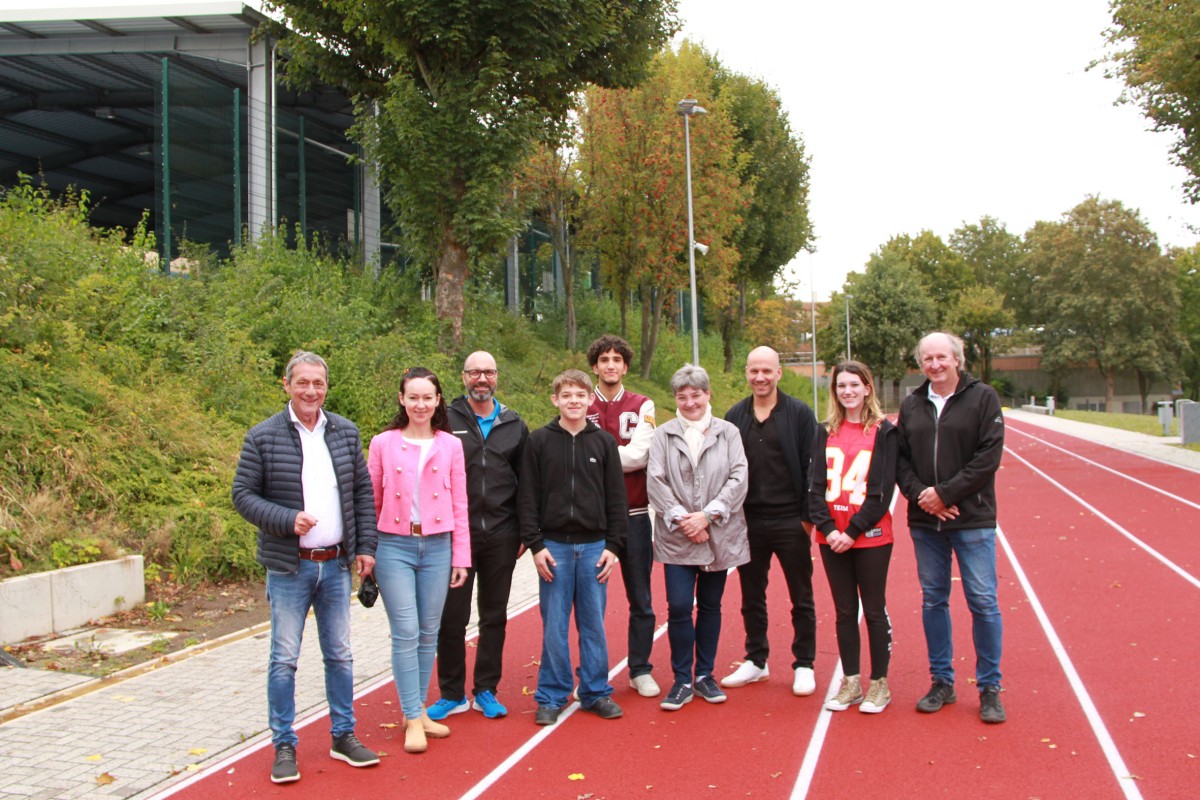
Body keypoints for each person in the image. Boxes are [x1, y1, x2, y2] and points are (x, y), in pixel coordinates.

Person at [232, 350, 380, 784]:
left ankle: (343, 735)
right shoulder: (262, 437)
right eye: (303, 383)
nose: (311, 391)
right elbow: (242, 496)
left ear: (326, 387)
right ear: (286, 384)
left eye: (318, 383)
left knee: (340, 654)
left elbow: (362, 496)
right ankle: (283, 743)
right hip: (289, 567)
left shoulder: (346, 433)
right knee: (284, 658)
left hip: (335, 565)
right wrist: (286, 520)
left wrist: (365, 548)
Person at [897, 331, 1007, 724]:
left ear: (956, 359)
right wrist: (923, 496)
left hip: (972, 518)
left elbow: (988, 456)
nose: (935, 365)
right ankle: (942, 681)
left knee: (983, 601)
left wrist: (945, 493)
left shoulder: (983, 398)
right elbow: (901, 461)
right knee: (933, 599)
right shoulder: (911, 403)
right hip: (926, 522)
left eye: (942, 357)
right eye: (928, 359)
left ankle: (989, 687)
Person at [367, 367, 471, 753]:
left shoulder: (450, 445)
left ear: (438, 400)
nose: (421, 404)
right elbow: (370, 500)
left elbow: (460, 502)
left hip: (439, 546)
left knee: (430, 632)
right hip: (393, 546)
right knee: (406, 631)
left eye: (428, 397)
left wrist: (461, 554)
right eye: (413, 397)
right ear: (402, 399)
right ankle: (412, 715)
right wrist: (367, 550)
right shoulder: (383, 443)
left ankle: (421, 712)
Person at [520, 369, 628, 725]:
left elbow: (616, 499)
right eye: (566, 395)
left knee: (593, 623)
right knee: (554, 625)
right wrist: (536, 545)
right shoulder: (538, 442)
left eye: (580, 395)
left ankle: (595, 692)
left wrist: (613, 545)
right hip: (555, 548)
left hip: (595, 547)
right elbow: (527, 498)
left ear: (589, 400)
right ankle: (551, 695)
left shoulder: (604, 443)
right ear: (555, 400)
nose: (574, 401)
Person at [427, 351, 529, 721]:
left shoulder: (514, 424)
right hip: (456, 536)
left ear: (497, 376)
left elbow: (526, 483)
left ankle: (486, 689)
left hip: (502, 535)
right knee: (451, 618)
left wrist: (524, 531)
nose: (481, 379)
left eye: (487, 372)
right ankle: (451, 693)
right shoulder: (445, 420)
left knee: (494, 616)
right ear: (464, 377)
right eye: (474, 373)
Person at [647, 364, 749, 711]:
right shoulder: (663, 435)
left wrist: (708, 515)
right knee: (678, 606)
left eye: (696, 395)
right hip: (677, 537)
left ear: (708, 395)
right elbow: (655, 482)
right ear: (675, 398)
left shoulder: (729, 433)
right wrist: (684, 520)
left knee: (709, 606)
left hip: (718, 534)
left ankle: (705, 675)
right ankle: (681, 680)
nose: (690, 402)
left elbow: (739, 477)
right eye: (682, 396)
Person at [722, 346, 820, 696]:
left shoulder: (799, 414)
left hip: (791, 522)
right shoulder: (735, 416)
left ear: (779, 372)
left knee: (801, 596)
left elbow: (814, 467)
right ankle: (756, 660)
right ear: (746, 373)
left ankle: (804, 663)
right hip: (749, 523)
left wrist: (807, 520)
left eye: (767, 371)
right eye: (754, 371)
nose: (760, 378)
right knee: (751, 595)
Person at [809, 361, 898, 714]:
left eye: (854, 385)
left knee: (873, 610)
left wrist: (853, 531)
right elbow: (813, 487)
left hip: (871, 535)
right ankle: (851, 683)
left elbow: (882, 491)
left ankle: (880, 684)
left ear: (867, 388)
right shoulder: (823, 431)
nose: (848, 391)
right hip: (831, 538)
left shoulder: (885, 432)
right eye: (841, 386)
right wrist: (830, 530)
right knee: (844, 611)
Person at [586, 335, 659, 698]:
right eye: (604, 359)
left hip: (635, 514)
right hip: (591, 520)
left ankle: (640, 668)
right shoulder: (581, 403)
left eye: (617, 359)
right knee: (589, 601)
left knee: (641, 597)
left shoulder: (643, 404)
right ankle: (592, 672)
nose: (610, 365)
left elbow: (641, 456)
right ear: (595, 366)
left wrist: (593, 456)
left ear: (625, 365)